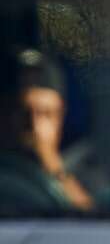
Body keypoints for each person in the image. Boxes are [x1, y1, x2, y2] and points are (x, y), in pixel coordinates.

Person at [0, 47, 94, 214]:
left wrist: (55, 170)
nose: (34, 126)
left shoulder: (85, 172)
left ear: (61, 117)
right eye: (22, 112)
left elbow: (96, 224)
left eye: (46, 114)